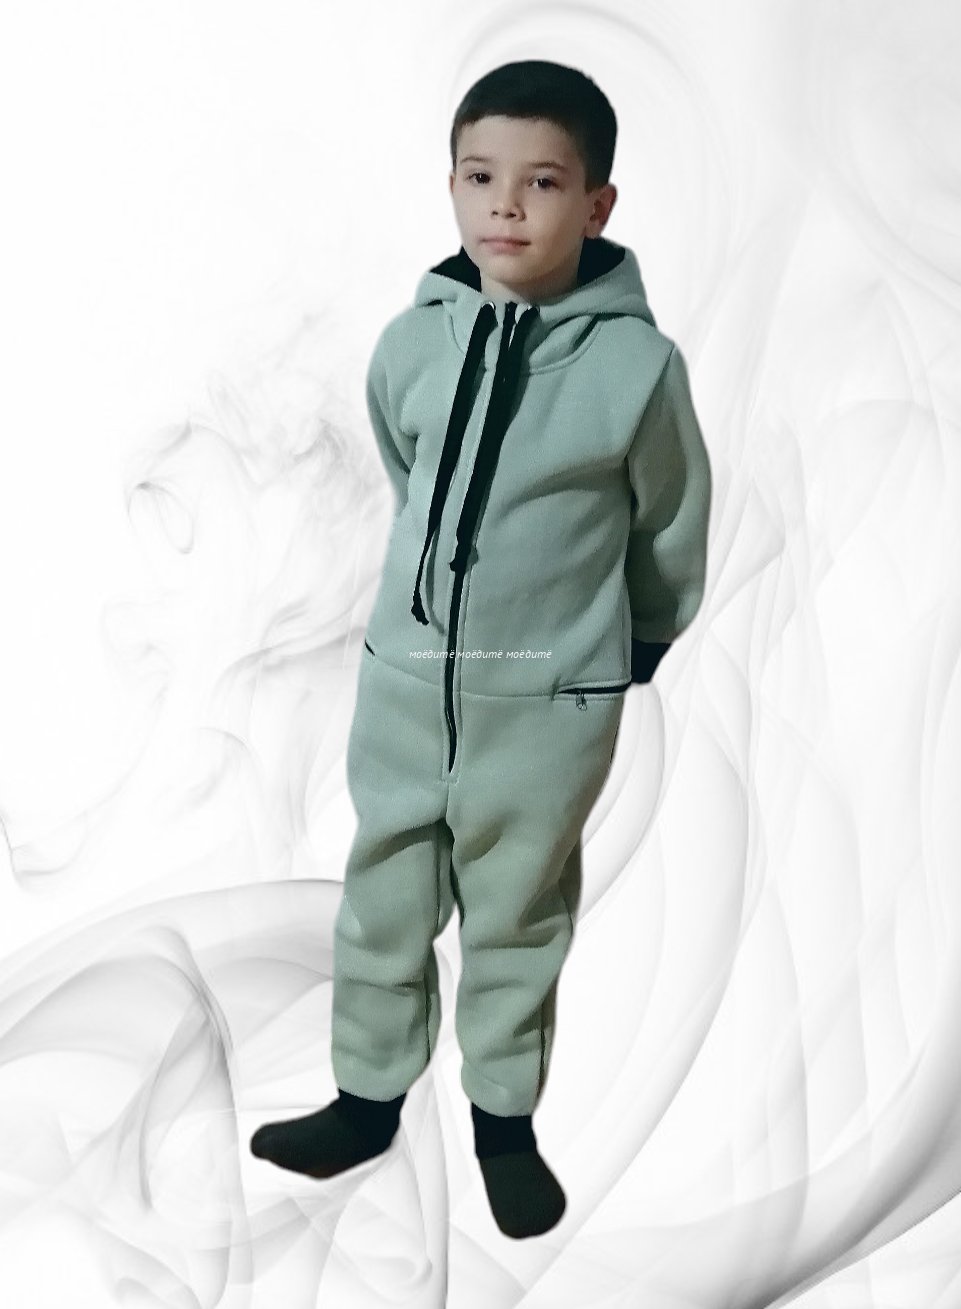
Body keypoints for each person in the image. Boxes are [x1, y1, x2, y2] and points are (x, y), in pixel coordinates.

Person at [251, 59, 712, 1240]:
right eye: (479, 176)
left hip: (544, 705)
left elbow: (669, 516)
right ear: (451, 186)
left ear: (596, 205)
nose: (505, 203)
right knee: (382, 902)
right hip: (406, 688)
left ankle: (504, 1125)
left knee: (516, 914)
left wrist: (639, 640)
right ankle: (364, 1102)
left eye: (542, 182)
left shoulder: (636, 370)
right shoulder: (411, 344)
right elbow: (408, 470)